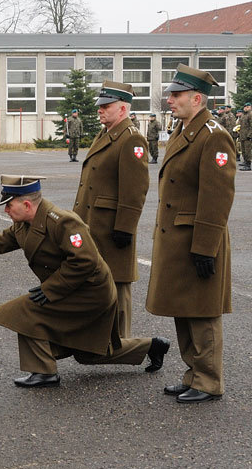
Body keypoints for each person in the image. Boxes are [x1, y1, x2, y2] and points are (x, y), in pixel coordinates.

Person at [0, 176, 169, 387]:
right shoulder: (25, 224)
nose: (5, 210)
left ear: (27, 205)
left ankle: (44, 371)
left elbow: (85, 261)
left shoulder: (63, 222)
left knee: (24, 311)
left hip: (91, 293)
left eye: (9, 205)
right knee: (87, 354)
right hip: (71, 289)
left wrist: (50, 289)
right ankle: (152, 346)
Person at [147, 64, 236, 403]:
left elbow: (217, 197)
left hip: (199, 237)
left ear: (196, 98)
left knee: (202, 311)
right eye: (170, 94)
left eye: (176, 95)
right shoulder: (186, 130)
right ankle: (193, 374)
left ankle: (209, 381)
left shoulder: (213, 134)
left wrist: (205, 247)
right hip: (178, 238)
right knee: (183, 307)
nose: (170, 100)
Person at [73, 80, 149, 338]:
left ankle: (124, 343)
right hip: (94, 223)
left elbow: (135, 189)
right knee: (100, 284)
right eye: (100, 106)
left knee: (118, 285)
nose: (100, 110)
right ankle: (103, 340)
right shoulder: (106, 134)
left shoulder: (131, 139)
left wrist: (125, 228)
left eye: (107, 106)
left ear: (123, 108)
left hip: (113, 227)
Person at [239, 102, 252, 171]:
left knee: (247, 150)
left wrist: (249, 135)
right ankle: (245, 162)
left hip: (247, 136)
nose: (245, 108)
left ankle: (248, 164)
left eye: (247, 107)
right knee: (243, 150)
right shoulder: (244, 115)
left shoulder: (250, 114)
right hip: (243, 135)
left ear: (250, 107)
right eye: (244, 107)